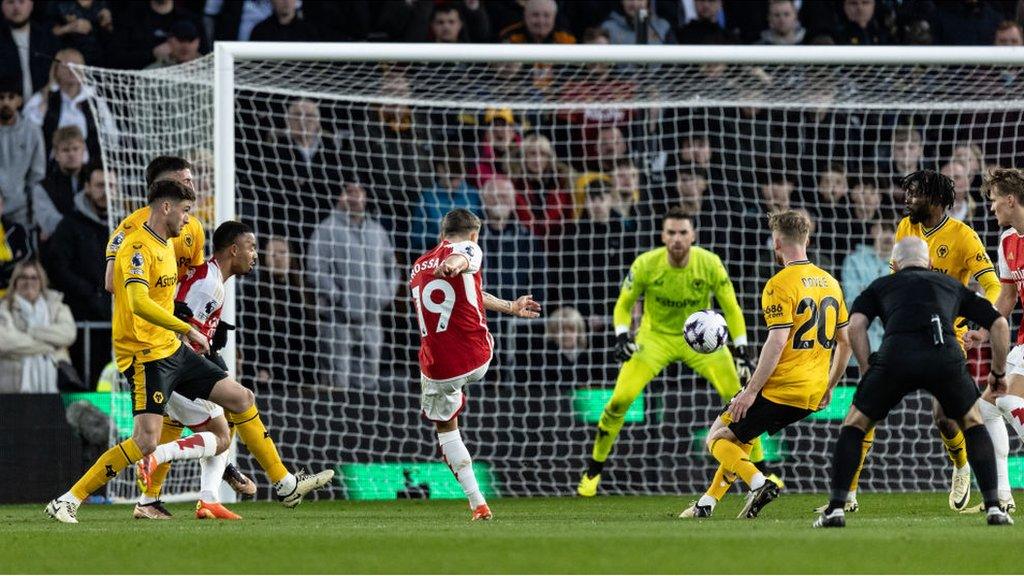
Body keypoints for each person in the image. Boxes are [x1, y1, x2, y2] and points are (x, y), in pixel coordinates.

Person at [136, 221, 334, 520]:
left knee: (192, 421)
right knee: (238, 406)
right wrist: (204, 365)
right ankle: (282, 482)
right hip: (173, 367)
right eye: (251, 247)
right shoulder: (209, 284)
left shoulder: (210, 278)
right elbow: (178, 325)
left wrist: (210, 348)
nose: (255, 254)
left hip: (170, 367)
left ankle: (157, 499)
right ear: (234, 249)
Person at [815, 237, 1012, 528]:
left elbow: (856, 325)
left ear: (894, 265)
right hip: (944, 355)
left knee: (854, 425)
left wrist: (869, 367)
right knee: (973, 423)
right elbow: (999, 324)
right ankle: (995, 508)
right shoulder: (950, 285)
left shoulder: (881, 285)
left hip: (896, 356)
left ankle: (835, 509)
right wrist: (997, 374)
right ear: (930, 263)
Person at [844, 170, 1001, 513]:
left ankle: (961, 466)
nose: (907, 198)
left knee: (945, 416)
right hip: (903, 331)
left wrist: (983, 327)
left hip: (948, 333)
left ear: (936, 198)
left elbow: (993, 285)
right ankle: (849, 493)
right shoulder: (905, 227)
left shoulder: (964, 236)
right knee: (866, 406)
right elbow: (895, 279)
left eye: (914, 193)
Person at [578, 207, 763, 497]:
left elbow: (732, 307)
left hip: (702, 343)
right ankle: (593, 471)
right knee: (619, 401)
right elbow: (624, 304)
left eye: (683, 232)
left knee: (739, 398)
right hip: (655, 339)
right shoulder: (646, 264)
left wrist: (741, 349)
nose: (677, 238)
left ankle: (764, 470)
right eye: (672, 232)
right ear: (663, 236)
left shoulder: (709, 263)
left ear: (693, 236)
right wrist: (621, 336)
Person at [681, 210, 851, 519]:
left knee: (717, 437)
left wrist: (749, 391)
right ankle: (706, 504)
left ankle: (760, 483)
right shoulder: (831, 282)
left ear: (776, 243)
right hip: (813, 391)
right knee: (742, 437)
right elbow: (846, 342)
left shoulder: (779, 284)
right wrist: (830, 385)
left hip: (782, 387)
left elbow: (776, 342)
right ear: (807, 240)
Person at [409, 208, 541, 520]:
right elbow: (463, 259)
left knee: (446, 431)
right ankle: (480, 505)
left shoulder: (417, 266)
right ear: (473, 234)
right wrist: (453, 265)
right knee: (479, 333)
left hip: (436, 369)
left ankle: (477, 502)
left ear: (442, 234)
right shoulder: (467, 248)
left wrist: (509, 306)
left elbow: (469, 289)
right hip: (476, 357)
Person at [962, 167, 1024, 512]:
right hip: (1023, 337)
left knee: (1004, 398)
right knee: (987, 406)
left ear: (1010, 200)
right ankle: (1001, 496)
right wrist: (984, 330)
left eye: (994, 200)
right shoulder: (1007, 241)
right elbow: (1008, 297)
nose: (991, 208)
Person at [307, 181, 400, 389]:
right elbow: (315, 270)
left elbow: (392, 267)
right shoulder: (326, 229)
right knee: (338, 382)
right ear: (339, 196)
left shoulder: (377, 230)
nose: (355, 196)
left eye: (360, 191)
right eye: (349, 191)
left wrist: (386, 294)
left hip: (372, 319)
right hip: (337, 319)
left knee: (369, 382)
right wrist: (338, 297)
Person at [0, 74, 61, 242]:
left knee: (22, 261)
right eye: (1, 97)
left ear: (19, 101)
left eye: (10, 97)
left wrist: (35, 215)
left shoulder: (32, 131)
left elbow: (37, 176)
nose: (5, 102)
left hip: (21, 211)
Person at [0, 259, 76, 393]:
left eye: (34, 278)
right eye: (23, 277)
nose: (29, 282)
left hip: (54, 389)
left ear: (41, 282)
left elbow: (68, 334)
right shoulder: (4, 308)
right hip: (12, 391)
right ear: (15, 282)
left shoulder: (56, 306)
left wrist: (32, 331)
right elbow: (4, 342)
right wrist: (50, 347)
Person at [0, 0, 59, 101]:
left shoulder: (46, 37)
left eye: (22, 2)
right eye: (10, 2)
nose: (16, 7)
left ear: (31, 5)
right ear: (2, 7)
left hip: (43, 106)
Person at [41, 125, 85, 216]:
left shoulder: (95, 181)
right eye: (65, 150)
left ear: (83, 150)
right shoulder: (45, 187)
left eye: (75, 149)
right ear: (56, 154)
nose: (71, 154)